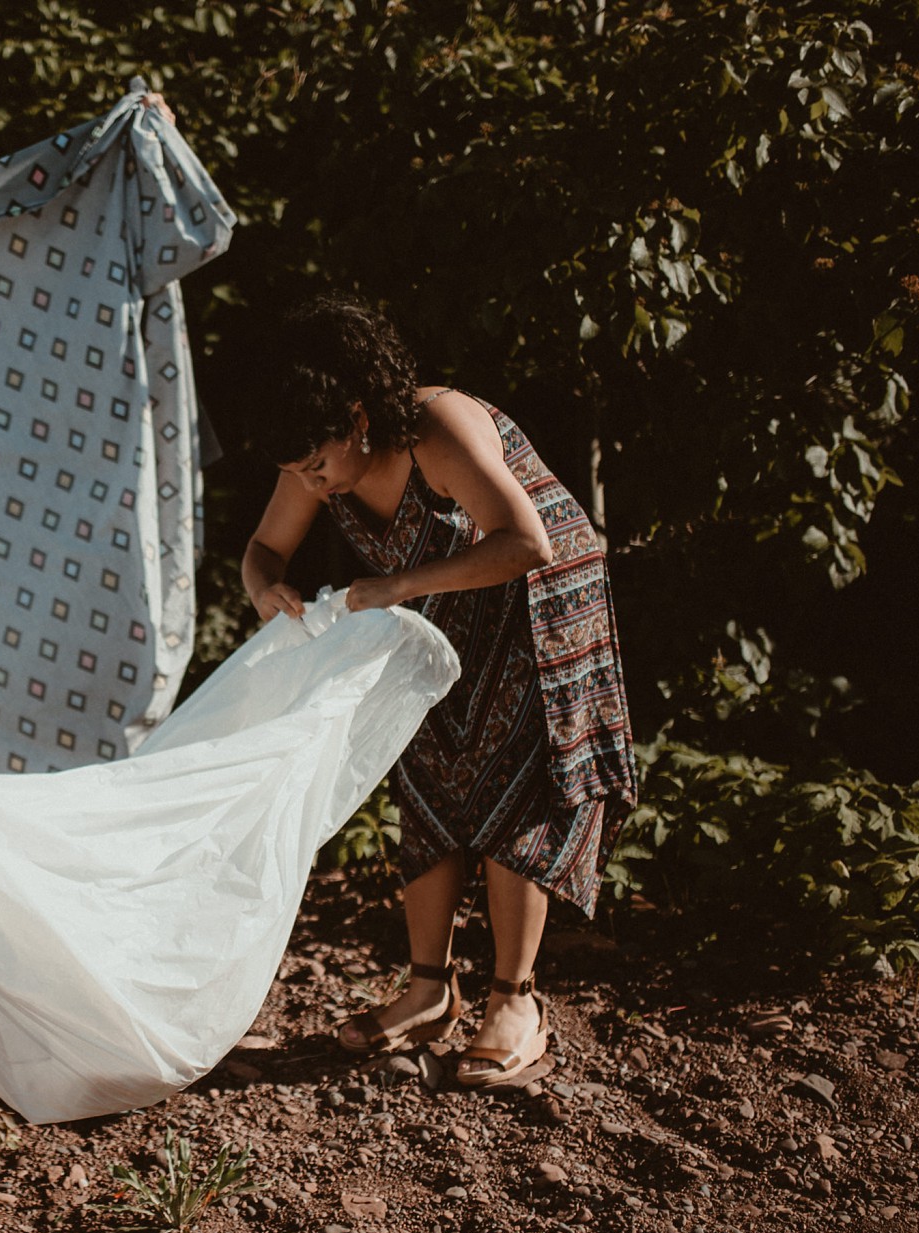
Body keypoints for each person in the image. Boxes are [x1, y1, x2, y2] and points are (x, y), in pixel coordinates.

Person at [239, 294, 636, 1087]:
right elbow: (262, 550)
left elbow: (529, 541)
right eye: (295, 472)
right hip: (434, 617)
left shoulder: (437, 430)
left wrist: (395, 586)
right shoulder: (315, 460)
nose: (308, 483)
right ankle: (429, 991)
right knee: (423, 776)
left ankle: (514, 1001)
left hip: (539, 602)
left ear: (357, 418)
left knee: (512, 784)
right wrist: (266, 591)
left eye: (315, 464)